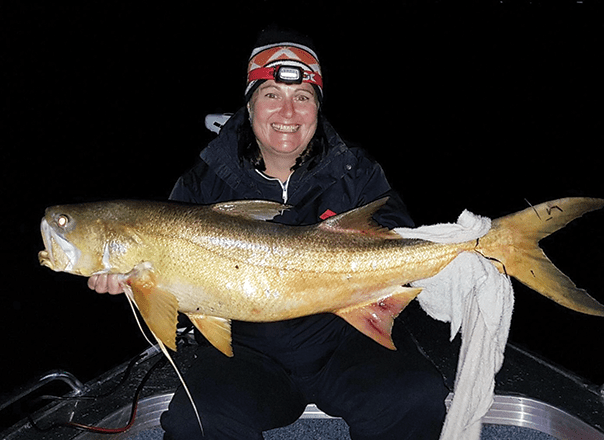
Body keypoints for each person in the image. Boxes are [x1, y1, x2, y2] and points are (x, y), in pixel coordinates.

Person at [89, 26, 448, 440]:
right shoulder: (202, 183)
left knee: (415, 395)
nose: (288, 113)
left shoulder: (357, 172)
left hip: (346, 344)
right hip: (246, 355)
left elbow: (395, 235)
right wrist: (132, 284)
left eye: (303, 97)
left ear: (318, 107)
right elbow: (167, 283)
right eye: (271, 94)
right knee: (197, 423)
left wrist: (447, 255)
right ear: (250, 103)